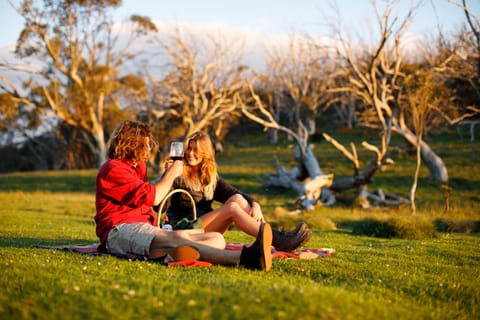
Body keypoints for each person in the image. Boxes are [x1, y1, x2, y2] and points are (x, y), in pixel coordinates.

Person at [94, 120, 272, 271]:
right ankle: (246, 258)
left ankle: (171, 254)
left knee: (216, 238)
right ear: (133, 143)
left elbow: (148, 202)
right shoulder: (113, 168)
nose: (149, 147)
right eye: (147, 143)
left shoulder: (138, 168)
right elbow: (155, 198)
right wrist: (171, 174)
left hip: (144, 228)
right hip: (120, 230)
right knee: (179, 237)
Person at [165, 131, 312, 252]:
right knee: (233, 207)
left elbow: (235, 193)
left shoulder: (208, 178)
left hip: (204, 227)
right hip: (185, 228)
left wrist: (256, 204)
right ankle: (278, 240)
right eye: (189, 149)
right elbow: (160, 207)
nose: (190, 153)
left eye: (196, 150)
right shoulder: (177, 173)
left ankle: (275, 237)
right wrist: (168, 176)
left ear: (205, 153)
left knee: (238, 200)